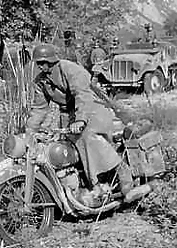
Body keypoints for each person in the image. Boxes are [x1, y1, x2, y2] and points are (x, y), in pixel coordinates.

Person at [26, 43, 148, 204]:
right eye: (38, 63)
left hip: (92, 109)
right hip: (69, 114)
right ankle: (76, 186)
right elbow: (39, 108)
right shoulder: (41, 82)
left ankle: (121, 173)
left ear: (52, 61)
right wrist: (29, 132)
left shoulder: (70, 69)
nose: (40, 66)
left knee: (86, 137)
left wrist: (80, 120)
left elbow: (82, 95)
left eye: (43, 62)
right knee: (63, 147)